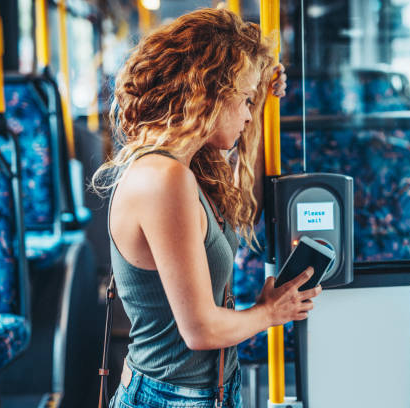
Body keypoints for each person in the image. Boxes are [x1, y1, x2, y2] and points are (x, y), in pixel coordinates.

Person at [92, 8, 322, 408]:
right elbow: (200, 329)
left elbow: (244, 206)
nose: (249, 115)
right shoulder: (164, 179)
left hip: (208, 390)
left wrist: (265, 103)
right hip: (170, 399)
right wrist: (271, 312)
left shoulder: (186, 166)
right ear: (212, 91)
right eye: (245, 100)